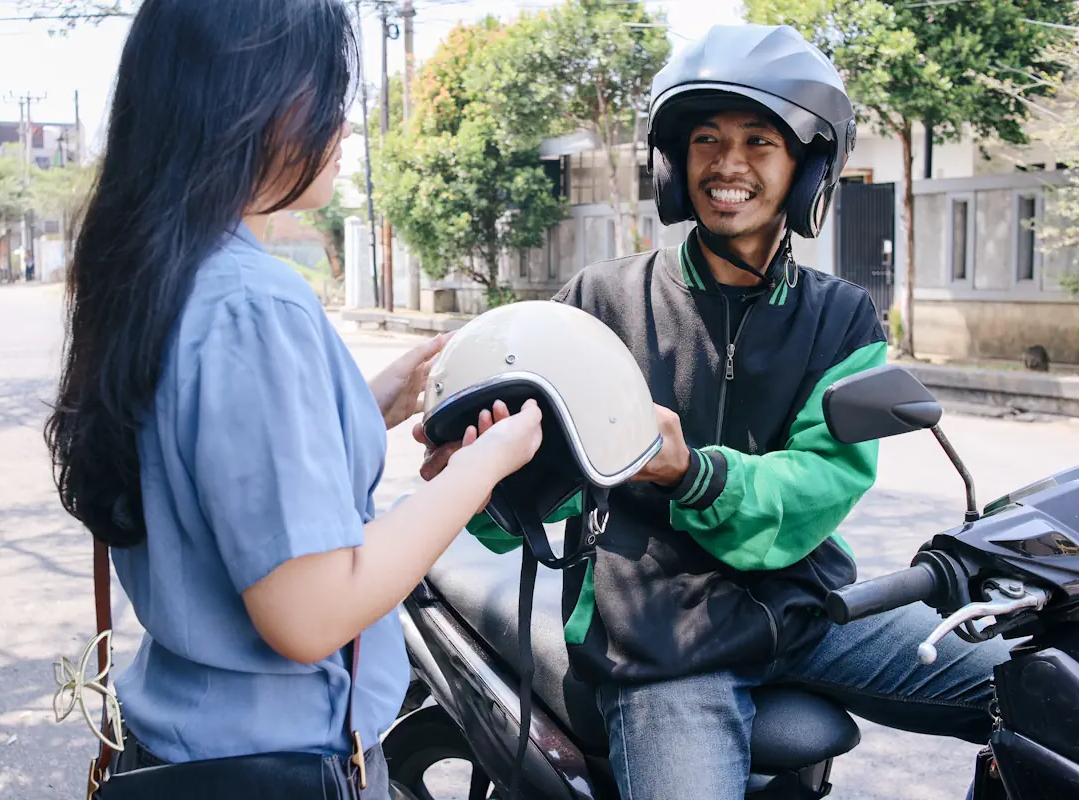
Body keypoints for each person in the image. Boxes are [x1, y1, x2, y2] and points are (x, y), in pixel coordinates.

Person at [415, 24, 1009, 800]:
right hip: (660, 646)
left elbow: (821, 481)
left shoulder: (842, 320)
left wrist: (693, 474)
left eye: (760, 141)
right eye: (706, 140)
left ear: (806, 167)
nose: (729, 165)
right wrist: (485, 476)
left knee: (1046, 696)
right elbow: (514, 509)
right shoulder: (601, 304)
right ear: (675, 162)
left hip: (811, 613)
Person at [43, 1, 542, 797]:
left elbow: (206, 463)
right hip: (281, 766)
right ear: (252, 102)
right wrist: (480, 469)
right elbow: (311, 612)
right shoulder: (255, 303)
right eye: (327, 92)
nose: (344, 123)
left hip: (183, 750)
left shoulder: (160, 271)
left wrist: (376, 401)